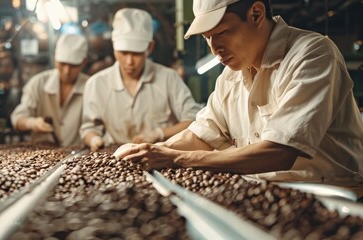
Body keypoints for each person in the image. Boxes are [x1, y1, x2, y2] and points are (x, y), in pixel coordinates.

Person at [114, 0, 363, 186]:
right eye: (208, 38)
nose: (215, 49)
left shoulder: (312, 54)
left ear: (256, 13)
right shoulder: (231, 76)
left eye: (222, 33)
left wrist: (178, 158)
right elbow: (202, 134)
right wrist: (152, 150)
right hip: (264, 192)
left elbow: (279, 152)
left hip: (331, 194)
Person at [80, 8, 201, 152]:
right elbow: (89, 128)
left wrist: (159, 134)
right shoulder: (96, 84)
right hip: (115, 160)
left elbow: (193, 120)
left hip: (160, 158)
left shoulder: (169, 79)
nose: (129, 61)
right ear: (114, 47)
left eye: (136, 54)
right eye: (123, 53)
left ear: (149, 47)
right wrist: (94, 139)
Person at [11, 34, 89, 147]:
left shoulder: (91, 86)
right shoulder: (38, 83)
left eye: (73, 65)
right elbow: (17, 119)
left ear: (84, 62)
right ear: (55, 58)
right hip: (41, 153)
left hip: (78, 156)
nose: (67, 71)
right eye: (62, 64)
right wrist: (32, 123)